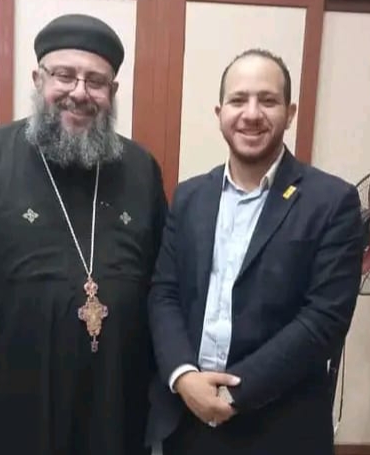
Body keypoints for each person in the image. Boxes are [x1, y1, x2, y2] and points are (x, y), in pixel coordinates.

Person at [0, 13, 167, 455]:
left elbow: (163, 286)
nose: (80, 92)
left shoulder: (140, 169)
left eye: (96, 81)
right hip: (6, 402)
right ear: (38, 80)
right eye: (64, 75)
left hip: (115, 400)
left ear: (112, 92)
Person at [146, 49, 363, 455]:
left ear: (290, 112)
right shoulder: (190, 196)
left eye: (268, 100)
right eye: (238, 100)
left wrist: (231, 395)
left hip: (281, 427)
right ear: (220, 113)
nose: (251, 114)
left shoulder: (332, 201)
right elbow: (164, 293)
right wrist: (183, 376)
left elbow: (323, 319)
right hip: (188, 424)